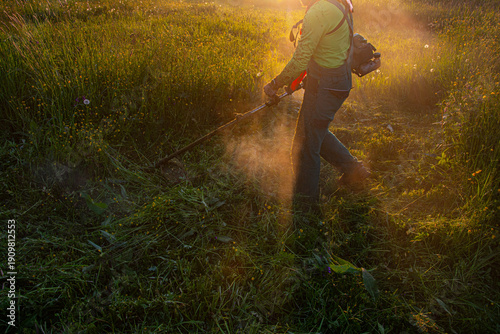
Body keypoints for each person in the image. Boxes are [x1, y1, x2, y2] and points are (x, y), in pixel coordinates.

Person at [264, 0, 370, 210]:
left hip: (324, 87)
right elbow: (330, 48)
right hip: (337, 82)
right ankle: (353, 170)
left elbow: (301, 58)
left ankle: (305, 205)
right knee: (316, 131)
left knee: (305, 145)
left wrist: (275, 83)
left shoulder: (318, 11)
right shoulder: (339, 3)